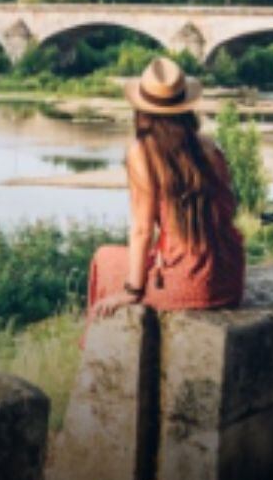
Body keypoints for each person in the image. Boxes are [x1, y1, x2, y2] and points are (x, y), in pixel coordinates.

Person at [86, 56, 246, 323]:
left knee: (104, 259)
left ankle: (107, 349)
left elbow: (142, 230)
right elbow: (227, 210)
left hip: (189, 281)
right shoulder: (209, 147)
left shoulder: (143, 152)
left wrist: (132, 290)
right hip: (229, 279)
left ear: (142, 109)